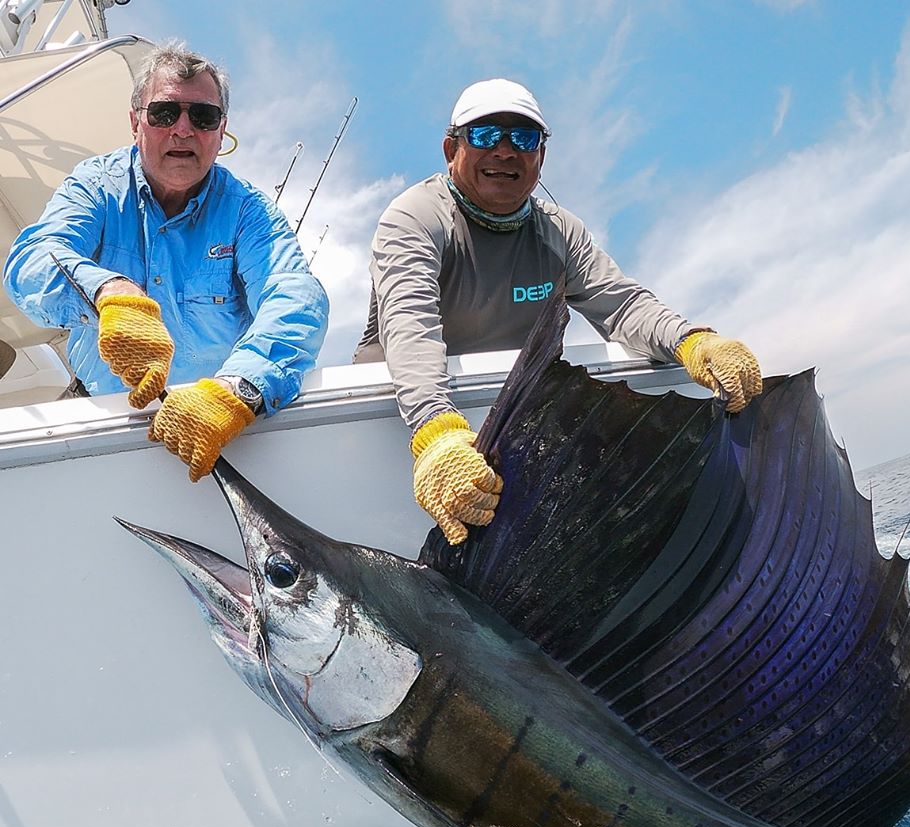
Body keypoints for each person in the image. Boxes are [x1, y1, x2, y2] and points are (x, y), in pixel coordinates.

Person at [354, 78, 761, 545]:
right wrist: (436, 431)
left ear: (541, 156)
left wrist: (691, 340)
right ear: (451, 148)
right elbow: (412, 327)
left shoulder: (560, 231)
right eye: (486, 135)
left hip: (508, 415)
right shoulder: (413, 216)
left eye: (524, 138)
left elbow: (623, 304)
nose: (505, 151)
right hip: (401, 422)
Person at [3, 42, 328, 481]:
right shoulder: (96, 185)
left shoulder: (248, 211)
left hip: (219, 422)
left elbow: (295, 296)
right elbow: (32, 260)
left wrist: (237, 391)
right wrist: (108, 292)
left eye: (203, 117)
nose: (182, 130)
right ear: (135, 121)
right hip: (97, 406)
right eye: (163, 113)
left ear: (221, 130)